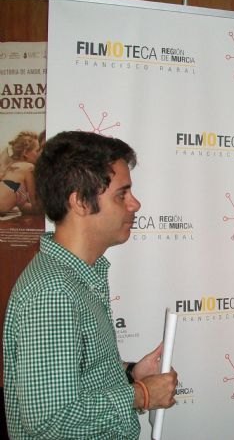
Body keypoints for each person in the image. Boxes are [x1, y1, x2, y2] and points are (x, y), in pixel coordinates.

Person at [3, 131, 178, 439]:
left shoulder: (78, 276)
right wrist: (141, 395)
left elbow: (79, 374)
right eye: (121, 195)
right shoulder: (53, 294)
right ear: (80, 202)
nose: (135, 204)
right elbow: (50, 421)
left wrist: (130, 374)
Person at [0, 131, 42, 215]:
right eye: (37, 151)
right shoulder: (29, 168)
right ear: (25, 153)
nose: (40, 154)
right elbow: (35, 205)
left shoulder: (12, 167)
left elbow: (23, 206)